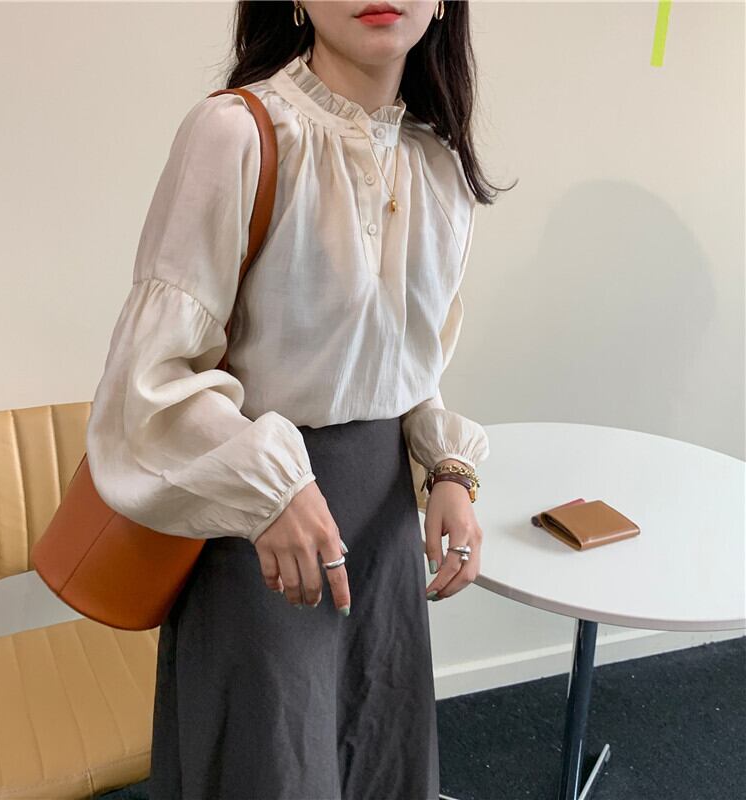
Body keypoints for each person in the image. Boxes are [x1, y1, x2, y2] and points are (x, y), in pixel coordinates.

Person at [85, 2, 514, 798]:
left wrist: (449, 470)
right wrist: (273, 489)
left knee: (375, 756)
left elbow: (403, 367)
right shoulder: (237, 135)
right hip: (258, 533)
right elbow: (149, 382)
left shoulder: (437, 166)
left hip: (382, 530)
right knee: (272, 767)